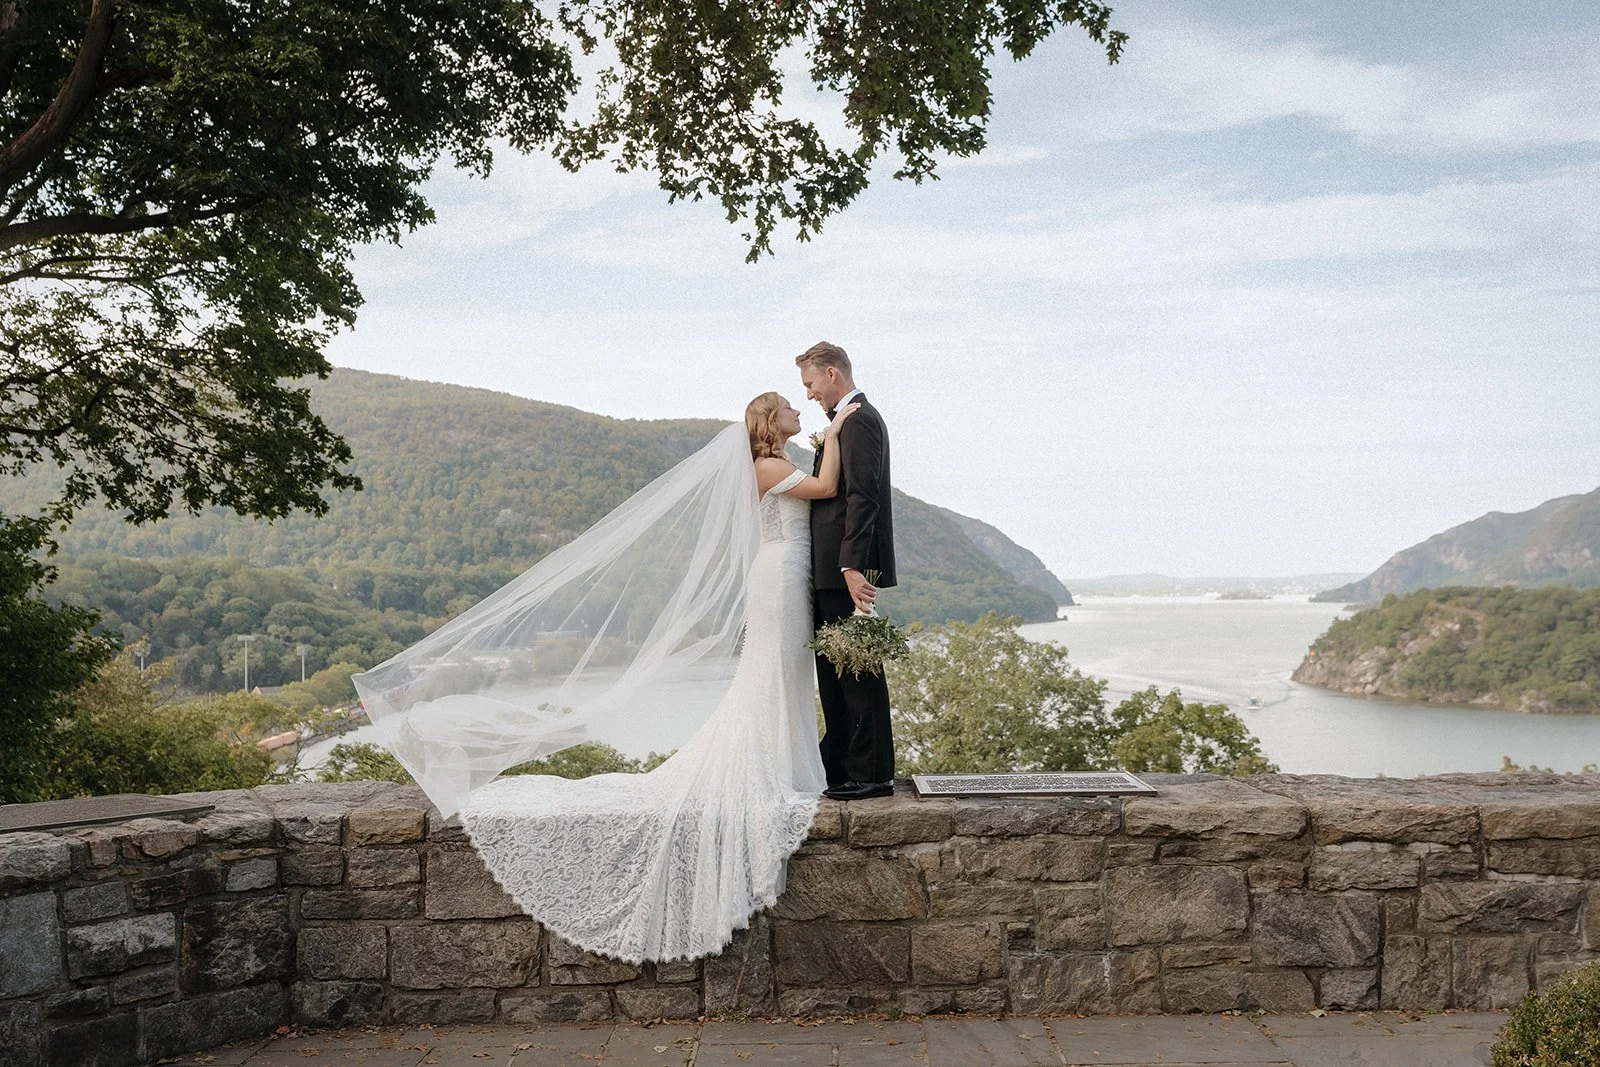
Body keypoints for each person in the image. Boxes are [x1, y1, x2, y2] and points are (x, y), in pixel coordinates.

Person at [355, 390, 856, 964]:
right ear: (772, 422)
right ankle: (776, 766)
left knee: (782, 673)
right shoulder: (768, 464)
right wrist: (836, 435)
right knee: (770, 672)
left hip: (787, 574)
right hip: (778, 577)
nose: (799, 410)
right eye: (789, 406)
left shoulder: (773, 462)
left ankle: (785, 762)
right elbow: (824, 490)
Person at [796, 341, 897, 801]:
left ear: (832, 373)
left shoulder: (859, 420)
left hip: (846, 568)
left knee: (856, 671)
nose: (810, 394)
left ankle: (870, 773)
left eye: (811, 384)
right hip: (832, 567)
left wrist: (853, 566)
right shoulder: (844, 422)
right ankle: (838, 765)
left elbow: (864, 496)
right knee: (833, 671)